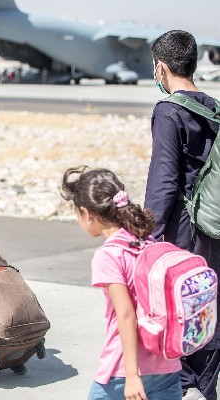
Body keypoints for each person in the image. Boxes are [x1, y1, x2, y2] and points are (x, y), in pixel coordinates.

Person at [61, 166, 182, 400]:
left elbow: (126, 314)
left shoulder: (108, 255)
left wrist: (132, 375)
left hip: (123, 370)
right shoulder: (147, 241)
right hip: (167, 363)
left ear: (87, 213)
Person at [144, 30, 220, 400]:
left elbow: (164, 179)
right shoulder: (213, 107)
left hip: (184, 230)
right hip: (215, 225)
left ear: (161, 67)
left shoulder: (169, 111)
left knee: (182, 309)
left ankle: (186, 387)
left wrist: (148, 235)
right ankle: (207, 385)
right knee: (209, 303)